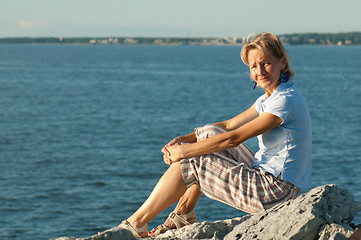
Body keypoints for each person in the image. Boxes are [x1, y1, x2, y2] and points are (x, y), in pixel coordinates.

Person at [118, 32, 312, 238]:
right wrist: (186, 138)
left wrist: (182, 152)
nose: (260, 71)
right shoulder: (269, 98)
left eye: (266, 64)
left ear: (282, 63)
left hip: (276, 191)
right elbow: (227, 126)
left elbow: (233, 139)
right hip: (269, 177)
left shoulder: (285, 102)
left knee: (191, 161)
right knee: (209, 134)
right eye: (254, 66)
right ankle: (183, 214)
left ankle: (136, 224)